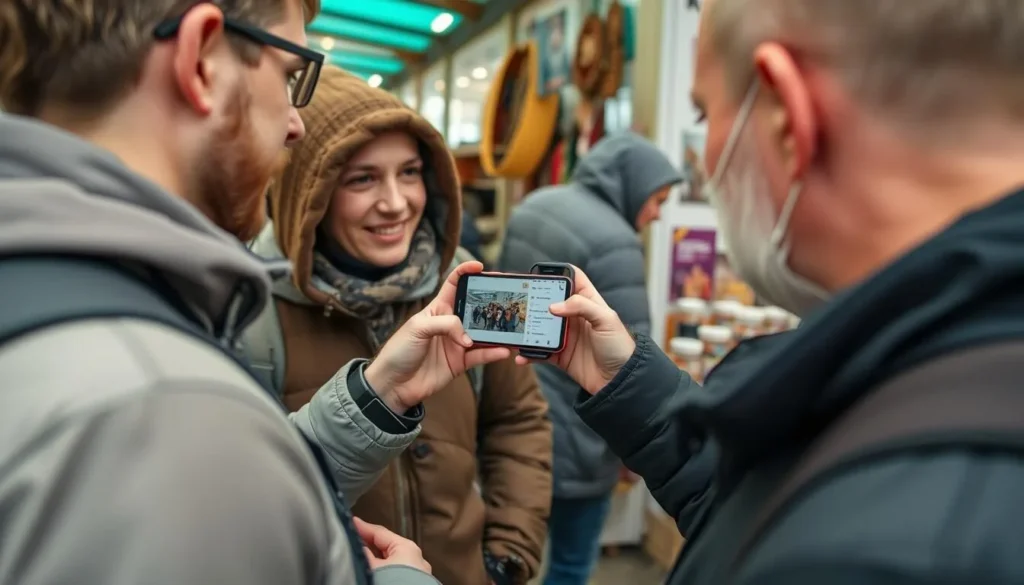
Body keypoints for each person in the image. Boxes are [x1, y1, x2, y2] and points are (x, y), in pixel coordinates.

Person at [0, 2, 514, 584]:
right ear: (200, 61)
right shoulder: (161, 401)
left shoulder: (59, 303)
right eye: (290, 75)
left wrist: (375, 397)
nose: (296, 124)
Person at [517, 0, 1024, 583]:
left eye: (704, 114)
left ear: (785, 116)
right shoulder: (934, 362)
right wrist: (627, 382)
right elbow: (764, 500)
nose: (703, 160)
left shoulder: (872, 556)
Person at [244, 66, 552, 585]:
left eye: (409, 172)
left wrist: (507, 555)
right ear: (308, 193)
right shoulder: (254, 310)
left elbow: (518, 422)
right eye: (362, 178)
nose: (396, 202)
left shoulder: (465, 282)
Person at [497, 132, 681, 585]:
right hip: (581, 438)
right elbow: (629, 362)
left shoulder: (534, 205)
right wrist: (632, 446)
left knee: (507, 556)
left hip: (513, 416)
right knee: (570, 564)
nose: (657, 214)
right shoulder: (615, 241)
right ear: (632, 184)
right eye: (657, 200)